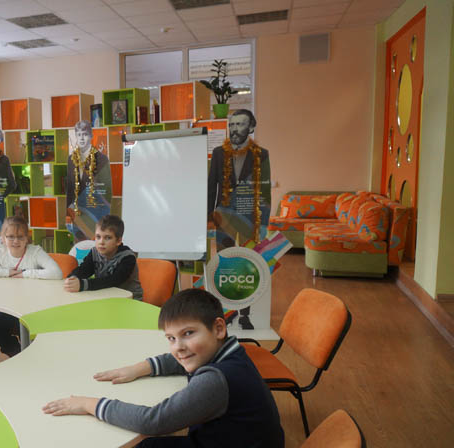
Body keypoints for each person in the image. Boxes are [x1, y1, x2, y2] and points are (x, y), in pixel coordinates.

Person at [42, 289, 285, 448]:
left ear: (219, 328)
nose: (178, 347)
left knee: (146, 443)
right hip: (240, 441)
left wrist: (88, 404)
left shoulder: (215, 380)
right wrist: (139, 368)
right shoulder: (229, 352)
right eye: (171, 338)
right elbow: (182, 356)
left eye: (188, 333)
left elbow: (153, 421)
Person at [207, 109, 271, 330]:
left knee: (246, 265)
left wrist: (264, 224)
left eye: (240, 124)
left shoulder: (261, 154)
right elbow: (211, 186)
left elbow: (264, 190)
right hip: (223, 216)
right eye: (232, 124)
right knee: (225, 264)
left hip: (249, 218)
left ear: (251, 127)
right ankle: (226, 311)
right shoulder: (218, 153)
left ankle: (245, 314)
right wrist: (208, 217)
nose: (234, 129)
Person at [0, 216, 62, 356]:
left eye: (20, 237)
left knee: (32, 331)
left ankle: (35, 353)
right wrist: (6, 272)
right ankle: (18, 354)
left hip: (33, 305)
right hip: (8, 305)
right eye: (11, 236)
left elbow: (56, 272)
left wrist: (25, 274)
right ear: (3, 238)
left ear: (27, 238)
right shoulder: (1, 252)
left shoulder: (35, 252)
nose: (15, 241)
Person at [64, 214, 142, 300]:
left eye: (108, 238)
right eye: (98, 237)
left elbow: (113, 280)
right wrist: (73, 277)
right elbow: (84, 269)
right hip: (106, 296)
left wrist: (82, 285)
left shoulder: (128, 257)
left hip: (130, 299)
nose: (101, 242)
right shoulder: (94, 252)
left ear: (118, 241)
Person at [66, 120, 112, 241]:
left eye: (85, 134)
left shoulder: (101, 159)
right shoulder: (71, 159)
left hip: (96, 210)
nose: (82, 138)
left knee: (97, 244)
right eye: (79, 134)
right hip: (77, 212)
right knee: (80, 245)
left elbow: (107, 189)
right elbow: (70, 188)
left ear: (91, 136)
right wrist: (68, 214)